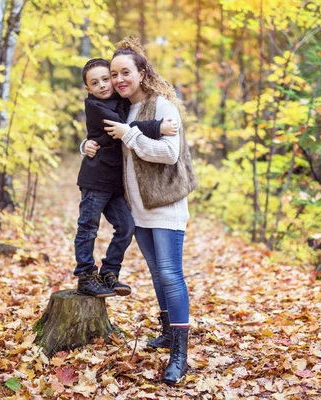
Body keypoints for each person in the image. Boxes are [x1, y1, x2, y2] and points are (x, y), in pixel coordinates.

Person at [83, 37, 198, 385]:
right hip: (138, 206)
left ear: (142, 72)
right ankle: (167, 333)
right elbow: (101, 136)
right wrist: (85, 143)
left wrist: (130, 136)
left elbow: (169, 153)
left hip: (165, 204)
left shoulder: (162, 105)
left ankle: (180, 355)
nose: (118, 79)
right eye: (114, 73)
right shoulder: (121, 108)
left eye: (125, 72)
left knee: (169, 272)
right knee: (155, 272)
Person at [75, 58, 179, 298]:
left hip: (114, 184)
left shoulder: (118, 100)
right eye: (95, 82)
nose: (103, 85)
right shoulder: (95, 106)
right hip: (95, 180)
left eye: (106, 79)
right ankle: (85, 275)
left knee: (126, 227)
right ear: (87, 88)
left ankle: (109, 272)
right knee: (88, 228)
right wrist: (157, 127)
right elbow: (124, 127)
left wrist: (86, 143)